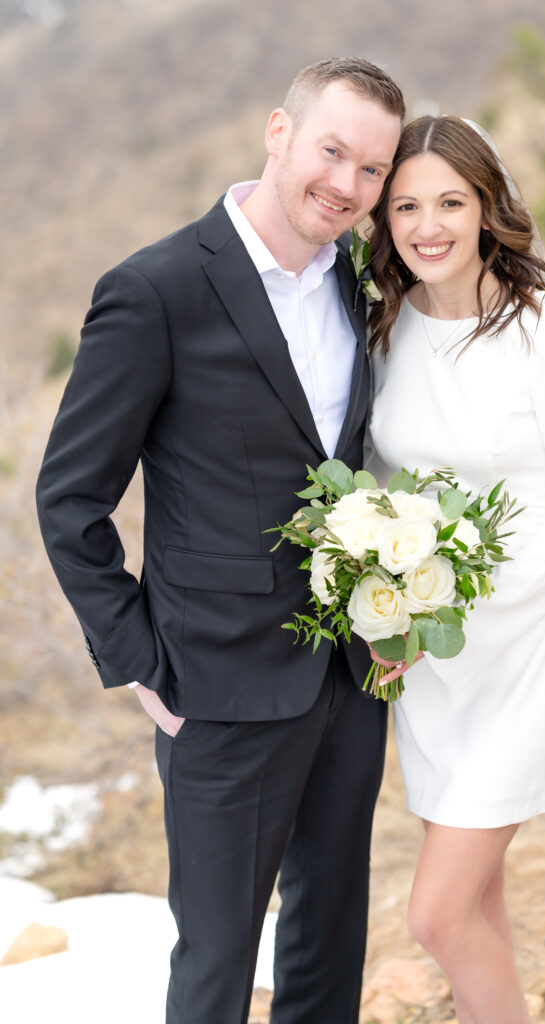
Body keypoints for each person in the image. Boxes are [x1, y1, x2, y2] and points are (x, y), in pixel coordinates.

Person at [35, 58, 404, 1024]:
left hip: (346, 678)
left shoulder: (357, 286)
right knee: (216, 966)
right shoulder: (156, 290)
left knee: (329, 944)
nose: (347, 186)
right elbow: (71, 498)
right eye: (332, 151)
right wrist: (141, 661)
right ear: (278, 131)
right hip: (217, 691)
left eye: (371, 171)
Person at [365, 115, 545, 1024]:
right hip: (429, 672)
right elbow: (381, 494)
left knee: (433, 916)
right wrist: (392, 613)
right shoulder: (385, 335)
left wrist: (452, 621)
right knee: (476, 902)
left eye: (448, 202)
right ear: (383, 218)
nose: (426, 225)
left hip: (521, 651)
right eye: (405, 205)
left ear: (485, 209)